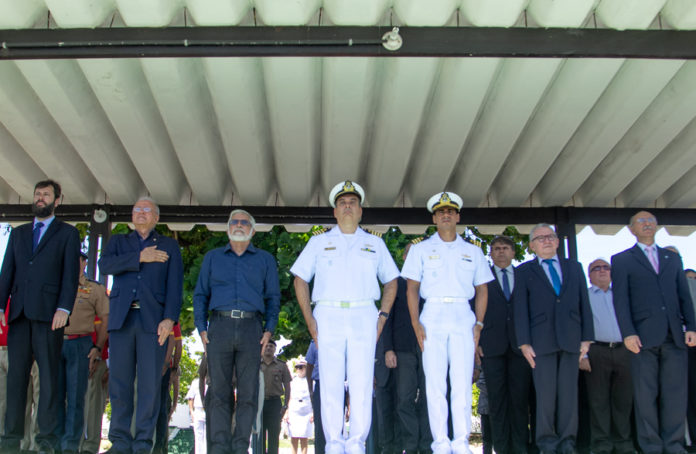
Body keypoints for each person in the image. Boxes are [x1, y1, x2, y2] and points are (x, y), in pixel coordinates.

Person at [291, 181, 399, 454]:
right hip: (327, 313)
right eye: (342, 203)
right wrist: (309, 320)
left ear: (361, 211)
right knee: (329, 381)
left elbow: (392, 281)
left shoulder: (375, 242)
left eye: (353, 202)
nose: (348, 206)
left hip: (364, 313)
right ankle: (335, 444)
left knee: (362, 381)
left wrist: (382, 316)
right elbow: (300, 279)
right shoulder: (319, 242)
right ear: (335, 212)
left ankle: (357, 444)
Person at [401, 191, 493, 454]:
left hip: (463, 315)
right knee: (435, 383)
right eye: (441, 212)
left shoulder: (473, 251)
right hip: (432, 314)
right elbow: (412, 289)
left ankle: (461, 441)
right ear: (434, 217)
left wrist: (479, 324)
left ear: (458, 217)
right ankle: (440, 442)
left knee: (462, 382)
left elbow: (483, 289)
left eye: (450, 211)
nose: (446, 215)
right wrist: (416, 323)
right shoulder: (420, 249)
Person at [0, 179, 81, 453]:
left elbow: (70, 276)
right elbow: (6, 271)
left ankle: (46, 440)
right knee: (15, 379)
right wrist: (1, 306)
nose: (40, 198)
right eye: (37, 194)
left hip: (50, 316)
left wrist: (64, 308)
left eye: (46, 195)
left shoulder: (68, 234)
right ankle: (10, 439)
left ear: (57, 200)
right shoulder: (19, 233)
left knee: (48, 378)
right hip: (19, 314)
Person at [98, 196, 184, 454]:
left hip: (153, 322)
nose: (141, 213)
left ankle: (143, 443)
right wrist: (140, 257)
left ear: (156, 218)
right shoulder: (119, 242)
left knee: (149, 385)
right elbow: (105, 265)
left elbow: (175, 285)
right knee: (120, 383)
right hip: (122, 320)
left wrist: (169, 318)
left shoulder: (168, 245)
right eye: (137, 210)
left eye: (147, 210)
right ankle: (121, 442)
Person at [193, 209, 280, 454]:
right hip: (218, 326)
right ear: (227, 228)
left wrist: (269, 330)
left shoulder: (264, 260)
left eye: (244, 222)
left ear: (252, 230)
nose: (239, 225)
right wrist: (201, 328)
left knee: (248, 391)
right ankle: (219, 447)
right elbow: (200, 295)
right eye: (234, 222)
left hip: (252, 328)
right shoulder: (213, 258)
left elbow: (273, 297)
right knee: (218, 391)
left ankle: (241, 446)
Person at [611, 211, 696, 454]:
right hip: (642, 337)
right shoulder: (622, 260)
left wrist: (691, 326)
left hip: (674, 336)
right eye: (641, 221)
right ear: (631, 229)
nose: (647, 224)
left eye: (651, 220)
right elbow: (621, 301)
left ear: (657, 226)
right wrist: (627, 332)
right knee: (646, 396)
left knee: (675, 395)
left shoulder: (672, 258)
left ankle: (674, 445)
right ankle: (651, 447)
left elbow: (684, 296)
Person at [514, 223, 594, 454]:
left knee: (569, 396)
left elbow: (584, 304)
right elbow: (520, 309)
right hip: (540, 342)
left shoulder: (574, 267)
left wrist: (587, 338)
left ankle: (568, 442)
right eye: (540, 238)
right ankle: (547, 444)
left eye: (550, 237)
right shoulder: (524, 271)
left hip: (572, 340)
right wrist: (524, 343)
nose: (546, 241)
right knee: (546, 397)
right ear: (532, 246)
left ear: (558, 241)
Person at [478, 235, 532, 454]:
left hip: (521, 347)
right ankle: (502, 449)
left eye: (506, 248)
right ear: (491, 253)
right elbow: (475, 311)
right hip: (491, 347)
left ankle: (520, 448)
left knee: (520, 402)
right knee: (497, 404)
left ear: (513, 252)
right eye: (497, 248)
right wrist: (478, 341)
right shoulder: (482, 278)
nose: (501, 251)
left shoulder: (525, 276)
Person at [55, 253, 109, 454]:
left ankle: (70, 446)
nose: (75, 262)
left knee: (77, 398)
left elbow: (105, 318)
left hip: (81, 344)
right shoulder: (55, 284)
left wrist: (98, 348)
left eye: (80, 258)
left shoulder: (94, 288)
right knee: (54, 397)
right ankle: (55, 444)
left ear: (85, 262)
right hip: (55, 343)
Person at [580, 258, 633, 454]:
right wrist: (582, 356)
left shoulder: (622, 295)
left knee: (624, 400)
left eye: (606, 267)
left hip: (624, 350)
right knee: (598, 401)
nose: (602, 271)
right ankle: (601, 444)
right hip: (596, 350)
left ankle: (623, 443)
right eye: (596, 268)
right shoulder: (583, 296)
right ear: (589, 274)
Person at [383, 243, 431, 454]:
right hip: (402, 350)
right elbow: (387, 319)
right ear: (403, 257)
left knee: (431, 397)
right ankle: (410, 446)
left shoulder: (432, 282)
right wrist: (388, 349)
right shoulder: (396, 284)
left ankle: (427, 446)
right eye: (409, 253)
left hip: (430, 348)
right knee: (404, 399)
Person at [80, 316, 109, 454]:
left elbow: (108, 334)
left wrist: (104, 361)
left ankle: (89, 447)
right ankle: (76, 444)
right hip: (76, 358)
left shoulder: (100, 298)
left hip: (97, 361)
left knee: (93, 407)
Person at [153, 323, 182, 454]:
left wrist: (174, 367)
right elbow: (179, 344)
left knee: (160, 410)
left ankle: (159, 446)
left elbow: (178, 343)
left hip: (161, 370)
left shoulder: (171, 319)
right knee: (161, 411)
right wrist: (174, 367)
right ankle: (158, 447)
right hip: (163, 369)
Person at [260, 339, 292, 454]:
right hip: (260, 404)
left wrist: (285, 406)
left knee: (274, 435)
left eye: (271, 346)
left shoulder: (281, 365)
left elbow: (287, 386)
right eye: (266, 346)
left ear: (275, 349)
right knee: (260, 436)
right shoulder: (256, 364)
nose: (268, 348)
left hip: (275, 403)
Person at [286, 360, 313, 454]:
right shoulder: (292, 380)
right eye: (297, 367)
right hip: (294, 409)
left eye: (301, 367)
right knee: (294, 435)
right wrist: (287, 412)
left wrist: (313, 412)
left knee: (304, 436)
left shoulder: (310, 380)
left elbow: (313, 396)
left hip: (306, 409)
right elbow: (289, 396)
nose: (299, 369)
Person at [305, 340, 324, 454]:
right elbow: (309, 365)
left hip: (337, 386)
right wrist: (310, 390)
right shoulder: (315, 341)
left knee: (337, 427)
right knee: (320, 427)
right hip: (320, 386)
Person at [187, 375, 207, 454]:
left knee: (206, 436)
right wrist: (191, 411)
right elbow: (190, 397)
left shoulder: (212, 381)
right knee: (198, 436)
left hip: (208, 410)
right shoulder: (195, 382)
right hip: (198, 410)